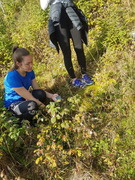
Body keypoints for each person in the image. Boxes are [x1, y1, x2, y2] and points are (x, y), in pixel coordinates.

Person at [40, 0, 94, 88]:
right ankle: (74, 79)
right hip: (58, 17)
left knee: (79, 47)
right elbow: (43, 7)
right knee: (66, 51)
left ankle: (84, 75)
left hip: (71, 12)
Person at [4, 46, 60, 124]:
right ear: (18, 64)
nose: (31, 66)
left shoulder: (30, 71)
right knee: (31, 105)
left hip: (25, 100)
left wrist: (52, 96)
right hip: (13, 105)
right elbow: (30, 97)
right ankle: (21, 121)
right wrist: (48, 110)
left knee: (40, 93)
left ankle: (35, 115)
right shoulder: (12, 77)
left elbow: (37, 89)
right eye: (27, 64)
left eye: (32, 62)